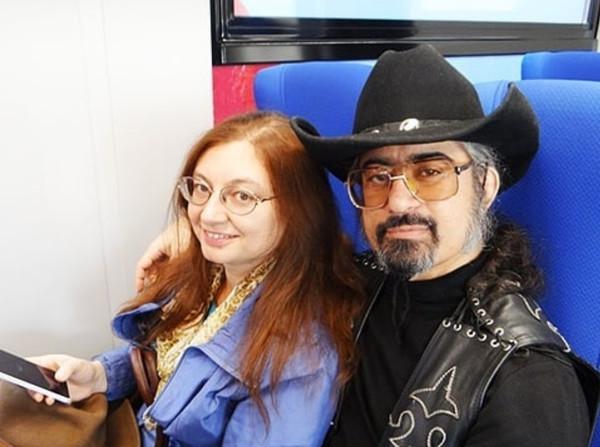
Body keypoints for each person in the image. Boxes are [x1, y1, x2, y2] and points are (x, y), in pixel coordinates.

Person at [139, 45, 600, 446]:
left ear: (485, 185)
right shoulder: (354, 278)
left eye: (430, 171)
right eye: (378, 176)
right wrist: (191, 235)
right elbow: (277, 252)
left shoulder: (528, 380)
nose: (399, 201)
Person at [28, 111, 364, 446]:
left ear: (298, 210)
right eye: (202, 188)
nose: (208, 214)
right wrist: (99, 376)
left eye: (242, 196)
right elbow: (165, 363)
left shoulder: (301, 357)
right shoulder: (207, 268)